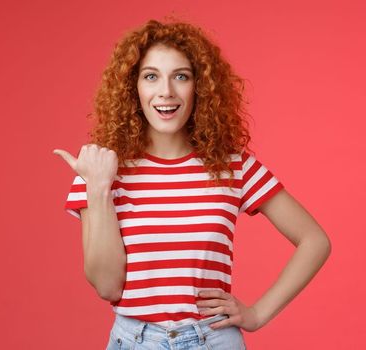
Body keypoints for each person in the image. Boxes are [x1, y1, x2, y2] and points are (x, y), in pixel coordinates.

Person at [52, 18, 331, 350]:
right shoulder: (101, 169)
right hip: (134, 341)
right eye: (151, 76)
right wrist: (98, 189)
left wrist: (257, 314)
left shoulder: (233, 166)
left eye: (180, 76)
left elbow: (315, 240)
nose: (166, 91)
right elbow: (107, 287)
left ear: (200, 87)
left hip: (213, 340)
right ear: (133, 87)